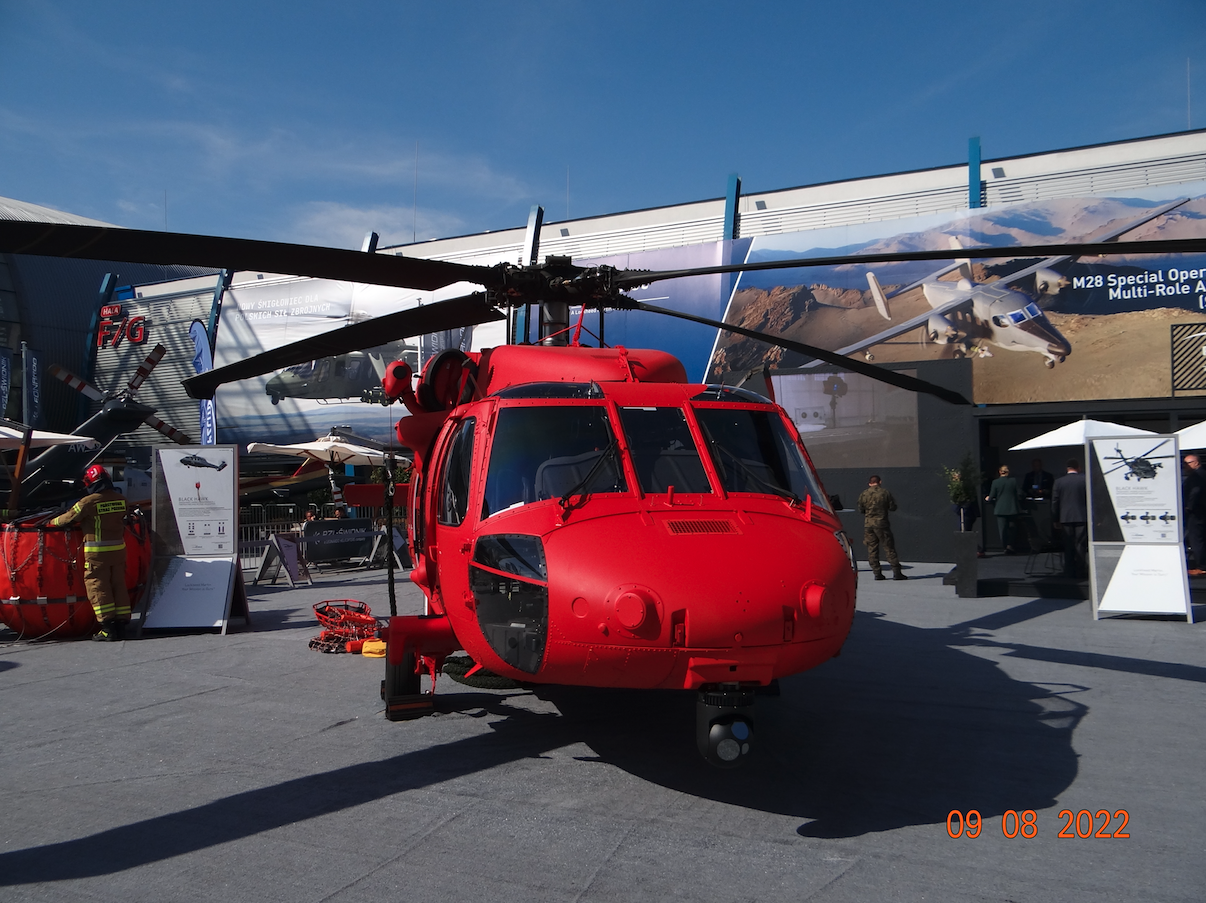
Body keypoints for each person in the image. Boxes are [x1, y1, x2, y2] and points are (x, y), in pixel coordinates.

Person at [49, 464, 129, 641]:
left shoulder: (88, 502)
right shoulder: (121, 499)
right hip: (119, 551)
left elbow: (67, 519)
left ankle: (107, 628)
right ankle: (122, 625)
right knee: (118, 585)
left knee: (98, 586)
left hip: (97, 553)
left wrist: (50, 522)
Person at [856, 474, 906, 580]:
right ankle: (897, 573)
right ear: (880, 482)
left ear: (870, 483)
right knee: (889, 548)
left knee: (872, 549)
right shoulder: (885, 493)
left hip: (868, 525)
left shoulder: (864, 494)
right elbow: (893, 507)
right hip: (882, 524)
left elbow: (861, 509)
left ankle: (877, 573)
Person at [1051, 458, 1088, 578]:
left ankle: (1069, 569)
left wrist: (1055, 518)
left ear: (1067, 469)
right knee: (1080, 544)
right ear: (1078, 467)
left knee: (1068, 544)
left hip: (1065, 517)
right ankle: (1080, 569)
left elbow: (1055, 501)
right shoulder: (1084, 480)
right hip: (1082, 516)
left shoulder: (1059, 482)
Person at [986, 465, 1024, 553]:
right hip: (1012, 508)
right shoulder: (1013, 481)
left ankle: (1004, 546)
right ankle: (1010, 545)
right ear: (1008, 472)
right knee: (1012, 528)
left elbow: (991, 495)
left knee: (1002, 529)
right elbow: (1020, 493)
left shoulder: (995, 482)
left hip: (1000, 509)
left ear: (1000, 472)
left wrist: (988, 498)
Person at [1182, 453, 1206, 576]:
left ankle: (1202, 566)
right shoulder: (1202, 473)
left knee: (1196, 539)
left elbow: (1196, 492)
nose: (1185, 466)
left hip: (1196, 512)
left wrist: (1188, 507)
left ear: (1196, 463)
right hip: (1201, 511)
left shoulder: (1196, 476)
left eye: (1188, 463)